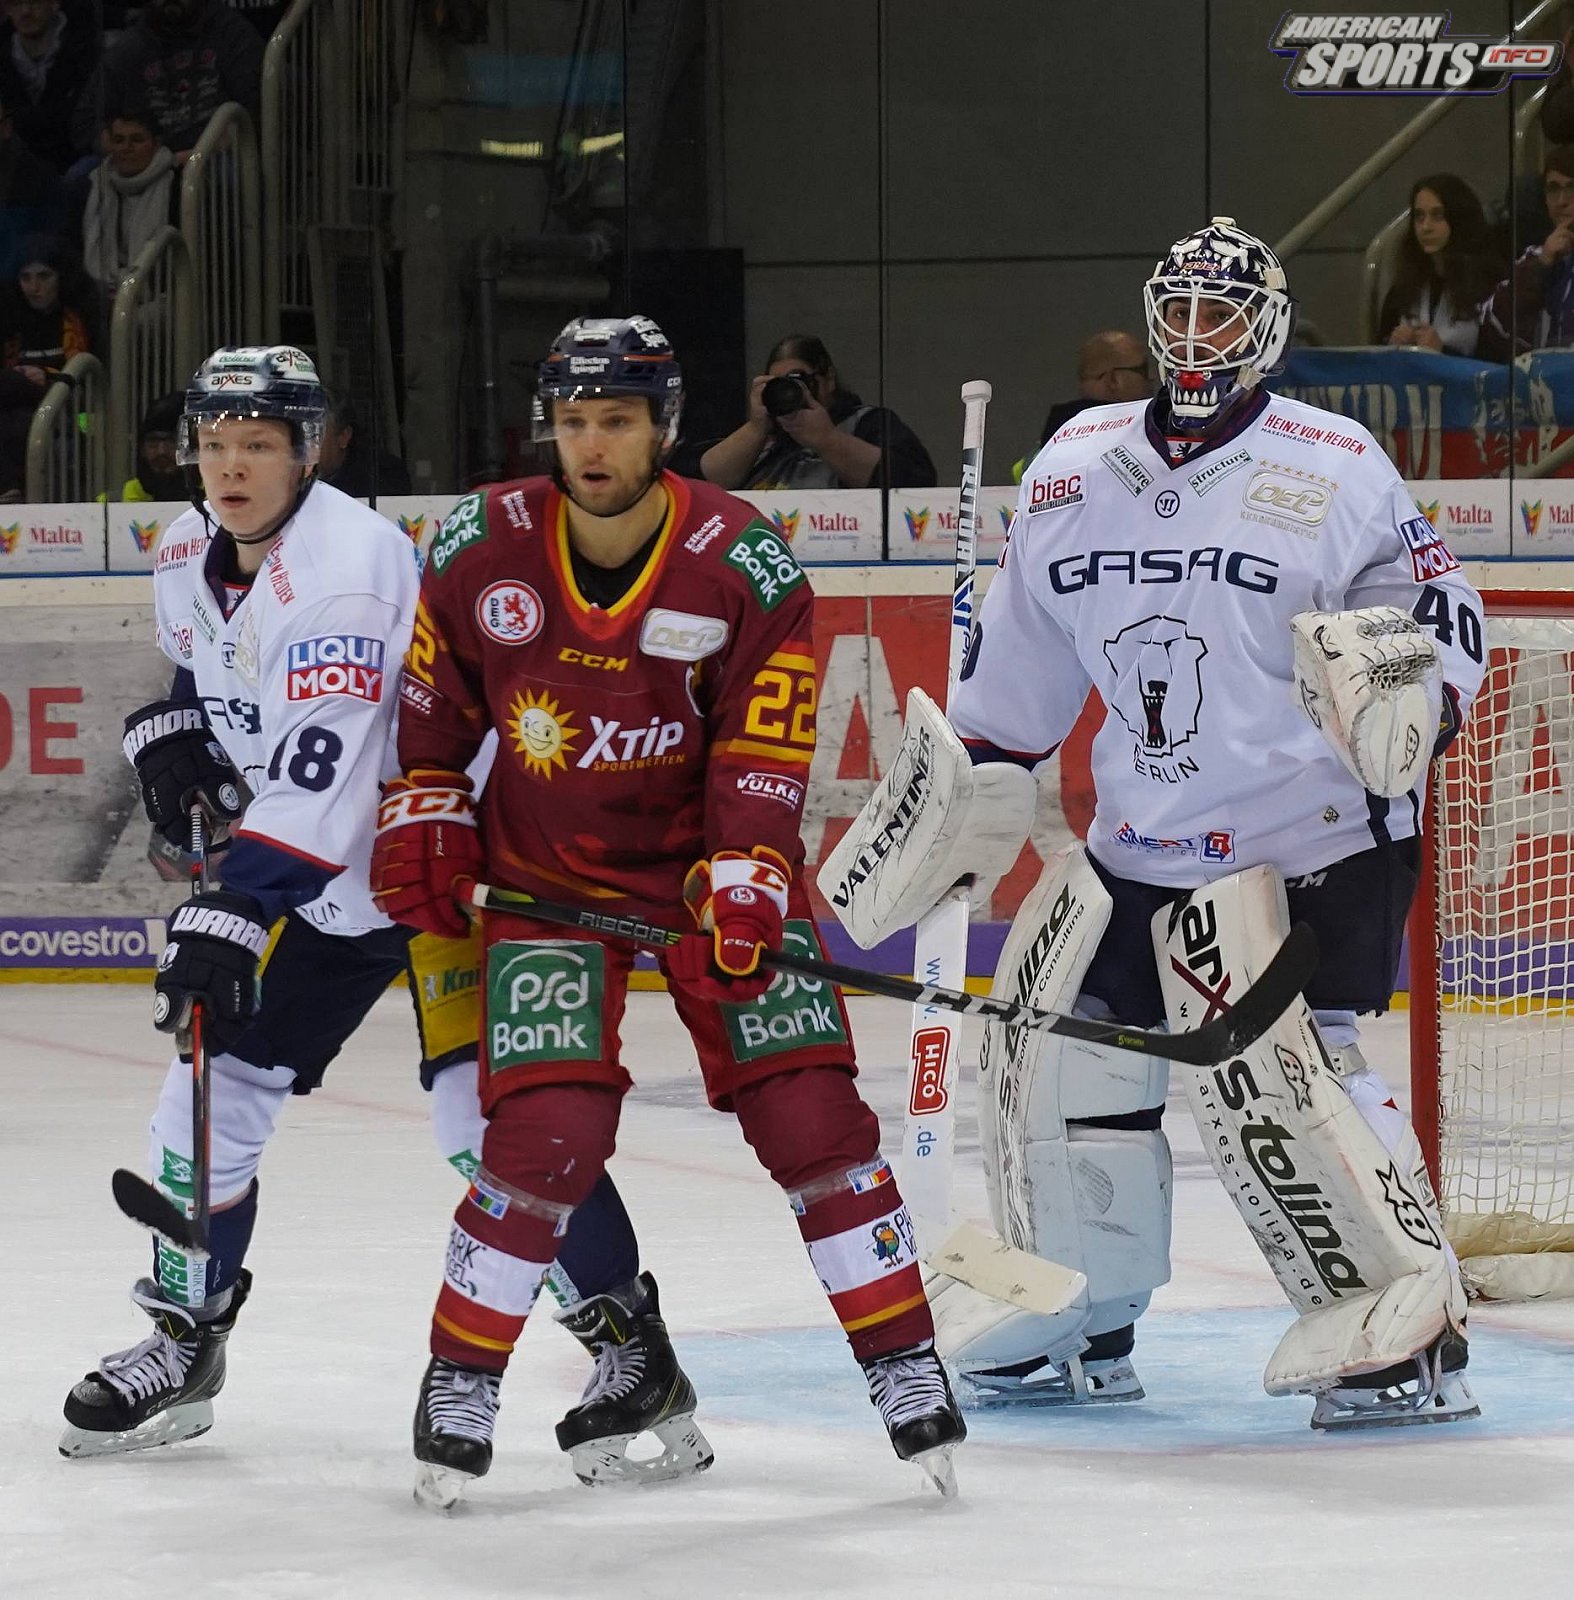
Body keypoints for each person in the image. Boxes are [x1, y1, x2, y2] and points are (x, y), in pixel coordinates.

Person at [825, 218, 1486, 1432]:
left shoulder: (1334, 462)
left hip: (1306, 838)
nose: (1192, 337)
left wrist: (1415, 695)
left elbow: (1441, 617)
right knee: (1055, 1058)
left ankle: (1402, 1312)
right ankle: (1083, 1308)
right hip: (1136, 839)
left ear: (1266, 330)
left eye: (1218, 313)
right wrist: (967, 778)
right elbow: (1018, 677)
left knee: (1288, 1074)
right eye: (1175, 311)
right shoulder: (1073, 465)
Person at [57, 345, 706, 1481]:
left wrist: (236, 908)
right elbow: (210, 670)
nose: (231, 467)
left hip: (440, 865)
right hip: (317, 877)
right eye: (214, 445)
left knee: (485, 1126)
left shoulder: (348, 569)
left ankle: (630, 1347)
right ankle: (186, 1337)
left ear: (310, 451)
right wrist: (174, 728)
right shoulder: (183, 549)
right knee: (204, 1101)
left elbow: (329, 774)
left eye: (260, 445)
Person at [370, 313, 965, 1510]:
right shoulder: (480, 544)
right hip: (544, 883)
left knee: (811, 1116)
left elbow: (762, 745)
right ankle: (460, 1379)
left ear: (665, 426)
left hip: (709, 877)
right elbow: (434, 716)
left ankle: (904, 1361)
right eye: (573, 421)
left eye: (617, 420)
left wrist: (745, 872)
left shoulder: (741, 558)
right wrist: (425, 805)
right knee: (541, 1137)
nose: (591, 444)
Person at [698, 332, 936, 491]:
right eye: (779, 384)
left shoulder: (868, 423)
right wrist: (756, 427)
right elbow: (707, 483)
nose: (790, 392)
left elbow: (913, 481)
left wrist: (827, 440)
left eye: (798, 380)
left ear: (828, 378)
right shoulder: (763, 440)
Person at [72, 0, 262, 159]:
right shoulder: (128, 49)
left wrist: (202, 154)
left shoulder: (230, 32)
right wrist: (131, 152)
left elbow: (257, 106)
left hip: (221, 157)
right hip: (148, 164)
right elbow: (86, 122)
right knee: (80, 176)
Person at [0, 232, 96, 496]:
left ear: (61, 277)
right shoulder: (10, 319)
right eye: (26, 278)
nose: (34, 287)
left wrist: (45, 376)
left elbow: (92, 375)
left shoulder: (81, 316)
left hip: (67, 408)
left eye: (43, 276)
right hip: (16, 410)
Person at [1377, 175, 1500, 357]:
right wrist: (1393, 345)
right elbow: (1377, 353)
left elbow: (1499, 363)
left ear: (1458, 219)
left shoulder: (1490, 286)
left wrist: (1443, 351)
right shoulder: (1403, 288)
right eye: (1419, 216)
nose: (1425, 227)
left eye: (1437, 216)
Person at [75, 106, 179, 305]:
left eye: (137, 140)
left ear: (156, 144)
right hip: (103, 298)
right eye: (119, 140)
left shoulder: (178, 187)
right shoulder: (93, 186)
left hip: (164, 300)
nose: (126, 147)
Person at [1478, 146, 1574, 358]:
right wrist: (1540, 268)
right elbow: (1491, 326)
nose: (1562, 201)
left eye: (1572, 187)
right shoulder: (1537, 257)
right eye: (1553, 189)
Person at [0, 0, 98, 173]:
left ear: (54, 4)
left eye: (35, 2)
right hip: (13, 167)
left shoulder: (87, 50)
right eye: (16, 4)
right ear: (7, 9)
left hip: (77, 161)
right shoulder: (3, 56)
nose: (25, 11)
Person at [1038, 330, 1155, 443]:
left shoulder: (1052, 441)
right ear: (1113, 380)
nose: (1152, 378)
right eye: (1143, 370)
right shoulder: (1136, 436)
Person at [316, 386, 412, 499]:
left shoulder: (381, 476)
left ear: (344, 436)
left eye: (315, 435)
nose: (305, 446)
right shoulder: (300, 475)